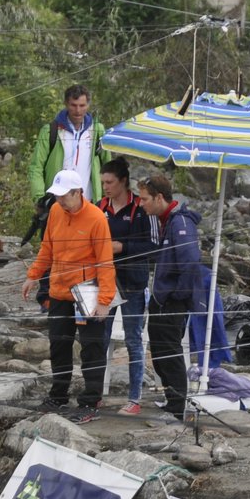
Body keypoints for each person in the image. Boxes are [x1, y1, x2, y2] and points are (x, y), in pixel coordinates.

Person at [21, 168, 116, 423]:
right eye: (57, 195)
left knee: (91, 347)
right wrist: (33, 275)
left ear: (78, 192)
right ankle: (58, 395)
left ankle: (91, 401)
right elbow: (47, 248)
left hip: (87, 293)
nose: (60, 200)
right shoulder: (54, 211)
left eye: (64, 196)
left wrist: (105, 301)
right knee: (59, 344)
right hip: (60, 290)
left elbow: (106, 262)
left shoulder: (97, 219)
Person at [142, 172, 201, 416]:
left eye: (145, 199)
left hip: (171, 302)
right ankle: (170, 399)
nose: (142, 204)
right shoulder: (165, 220)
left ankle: (178, 408)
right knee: (158, 353)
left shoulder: (180, 223)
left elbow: (191, 263)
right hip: (160, 300)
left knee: (170, 353)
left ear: (158, 198)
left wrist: (174, 296)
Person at [97, 157, 152, 415]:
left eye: (109, 182)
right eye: (103, 183)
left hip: (133, 283)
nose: (106, 187)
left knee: (133, 340)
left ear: (123, 182)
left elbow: (152, 247)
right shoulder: (100, 207)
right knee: (100, 337)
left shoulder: (140, 209)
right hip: (105, 283)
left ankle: (134, 398)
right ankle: (95, 393)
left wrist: (123, 247)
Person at [27, 84, 107, 204]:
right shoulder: (50, 130)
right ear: (66, 104)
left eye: (82, 105)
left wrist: (106, 199)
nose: (78, 110)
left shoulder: (97, 131)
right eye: (73, 105)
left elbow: (107, 167)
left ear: (88, 105)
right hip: (57, 203)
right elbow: (36, 167)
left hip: (89, 203)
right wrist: (40, 199)